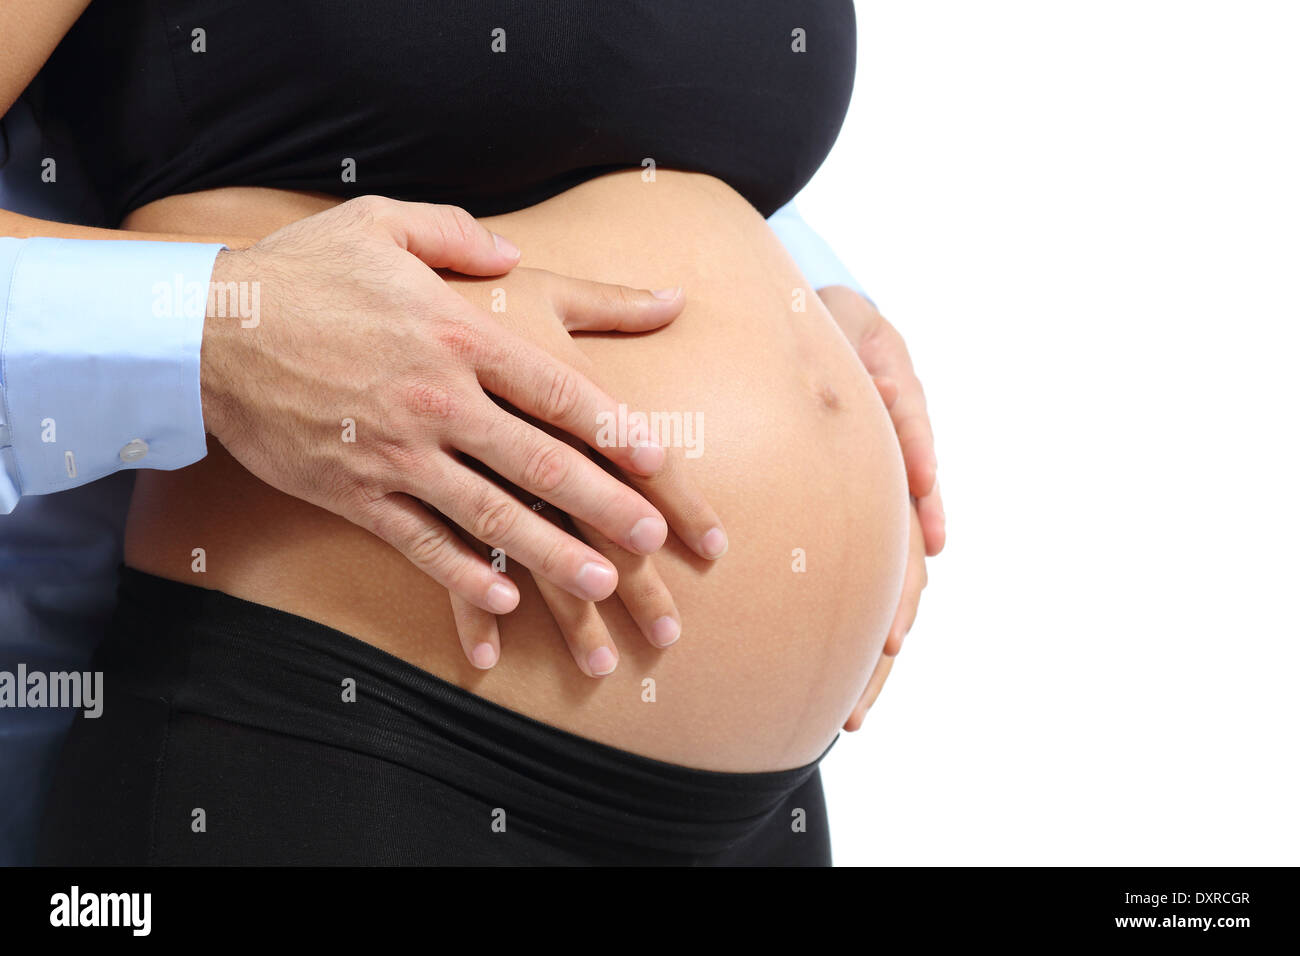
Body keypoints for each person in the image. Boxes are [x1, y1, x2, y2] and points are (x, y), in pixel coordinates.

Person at [6, 0, 944, 865]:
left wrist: (814, 300)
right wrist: (231, 321)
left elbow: (583, 108)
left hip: (760, 805)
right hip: (344, 730)